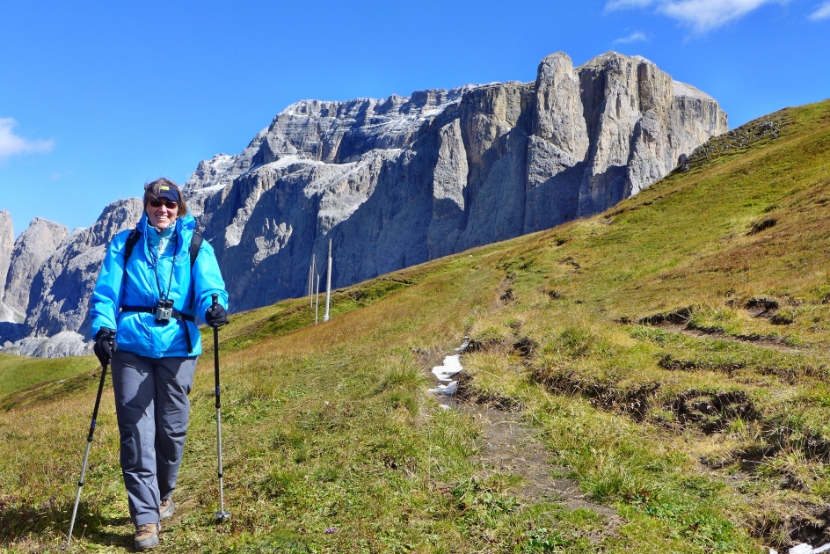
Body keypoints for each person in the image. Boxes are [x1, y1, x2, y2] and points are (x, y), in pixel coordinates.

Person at [89, 178, 228, 551]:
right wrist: (104, 328)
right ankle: (145, 519)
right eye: (155, 202)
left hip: (178, 348)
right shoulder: (125, 243)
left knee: (172, 431)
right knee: (136, 433)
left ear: (178, 207)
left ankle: (164, 493)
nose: (162, 209)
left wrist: (214, 306)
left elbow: (209, 288)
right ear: (146, 206)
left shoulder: (196, 245)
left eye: (169, 203)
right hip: (131, 348)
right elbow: (106, 291)